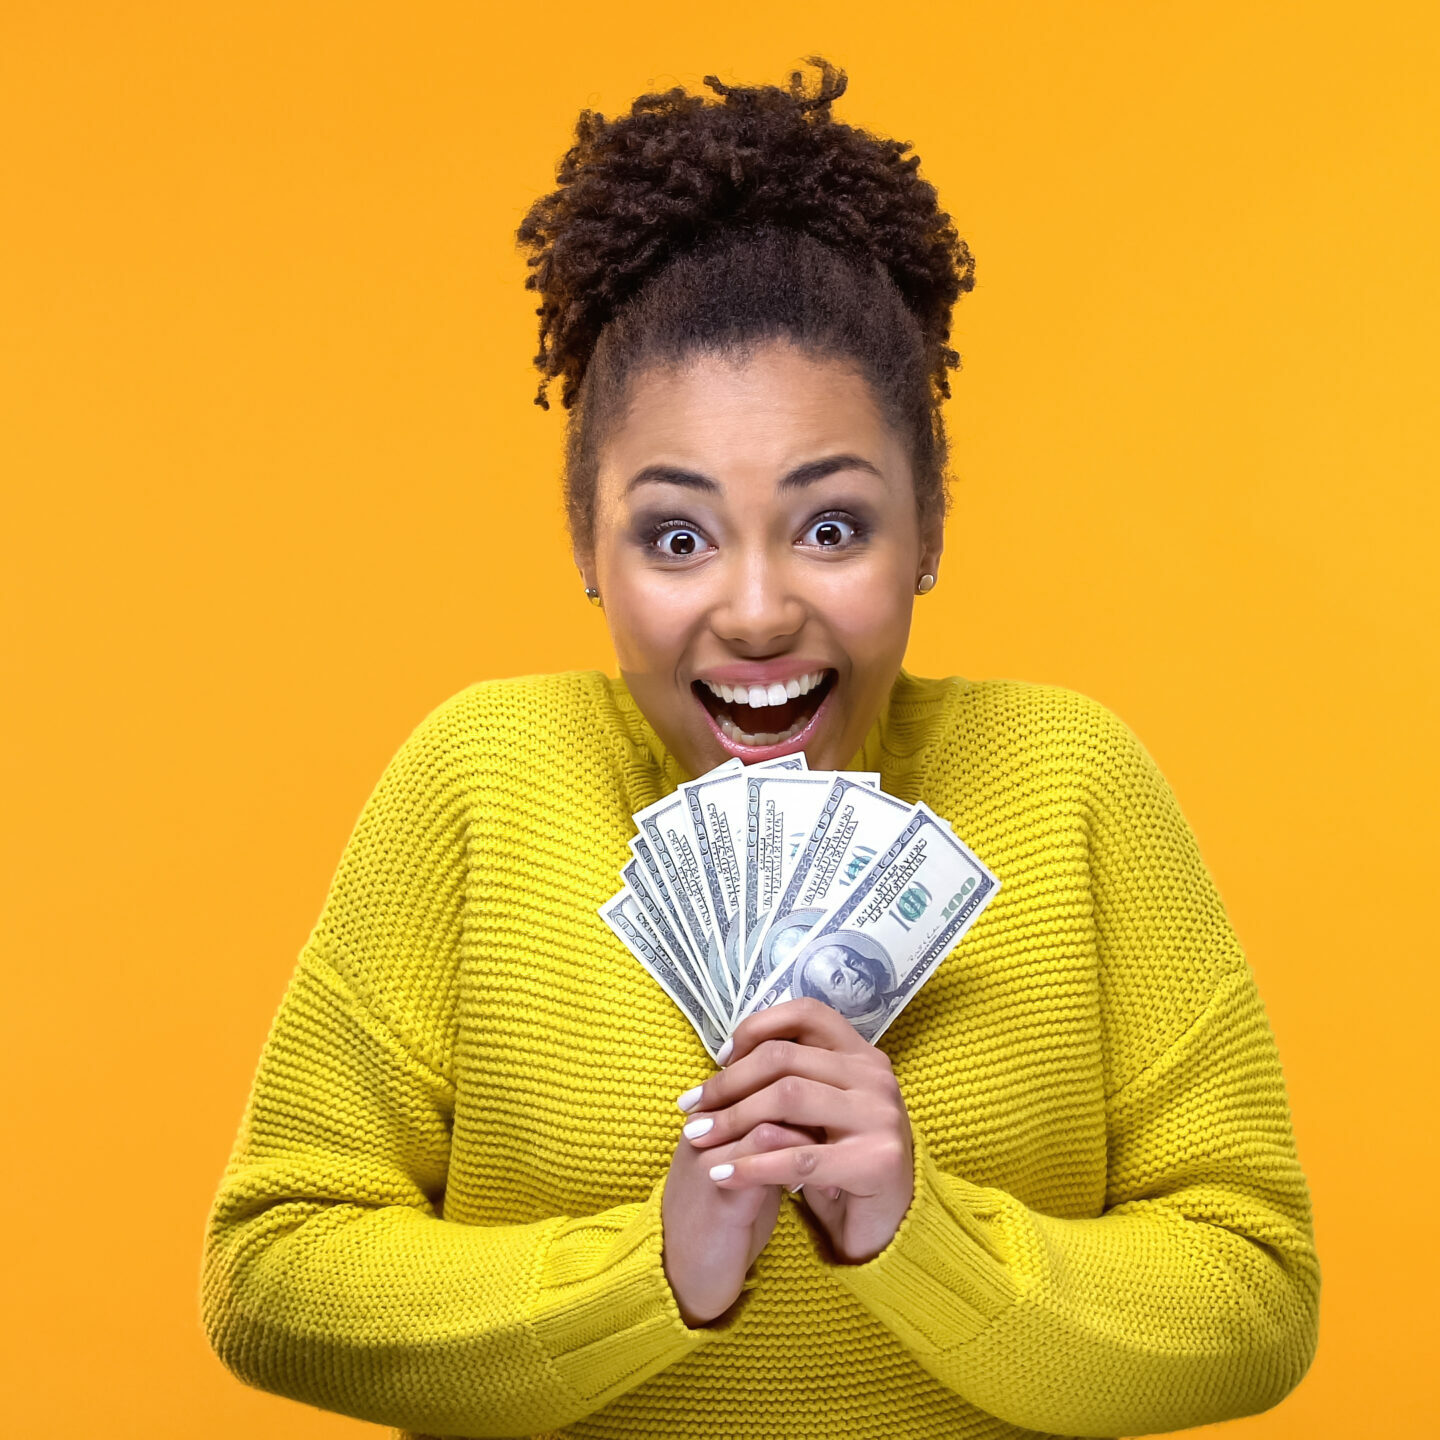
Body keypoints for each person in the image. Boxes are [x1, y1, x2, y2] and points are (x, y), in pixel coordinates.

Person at [200, 59, 1320, 1440]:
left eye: (831, 526)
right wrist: (648, 1267)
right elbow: (271, 1276)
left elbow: (1256, 1298)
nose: (754, 608)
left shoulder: (1072, 777)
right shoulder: (478, 778)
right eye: (677, 536)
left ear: (930, 528)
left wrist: (923, 1232)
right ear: (587, 551)